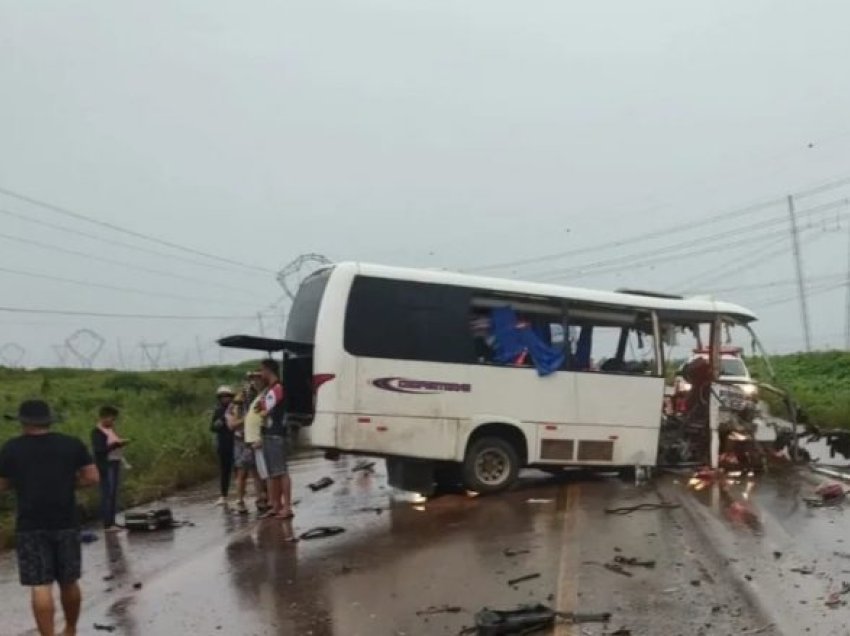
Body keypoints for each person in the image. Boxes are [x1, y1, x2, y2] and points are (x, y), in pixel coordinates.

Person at [0, 400, 99, 636]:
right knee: (69, 581)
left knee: (40, 585)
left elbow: (1, 484)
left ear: (23, 422)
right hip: (66, 521)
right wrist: (67, 483)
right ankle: (71, 629)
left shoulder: (11, 448)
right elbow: (92, 477)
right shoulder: (71, 444)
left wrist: (20, 483)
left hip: (30, 524)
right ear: (49, 421)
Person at [256, 359, 293, 520]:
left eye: (261, 371)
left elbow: (263, 409)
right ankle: (276, 505)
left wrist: (262, 405)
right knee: (272, 473)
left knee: (281, 471)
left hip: (276, 433)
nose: (260, 374)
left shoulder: (278, 388)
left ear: (268, 370)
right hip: (269, 433)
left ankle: (287, 506)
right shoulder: (269, 389)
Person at [90, 406, 128, 533]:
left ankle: (112, 521)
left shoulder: (110, 430)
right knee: (107, 493)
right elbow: (99, 450)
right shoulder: (97, 432)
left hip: (115, 462)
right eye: (111, 419)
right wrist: (115, 445)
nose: (112, 422)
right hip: (106, 465)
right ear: (104, 417)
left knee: (113, 494)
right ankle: (107, 523)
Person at [227, 391, 263, 515]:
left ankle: (260, 499)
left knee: (256, 472)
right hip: (240, 442)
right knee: (242, 474)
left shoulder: (254, 404)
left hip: (253, 439)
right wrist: (246, 419)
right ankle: (240, 501)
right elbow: (232, 425)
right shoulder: (233, 407)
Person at [244, 374, 270, 514]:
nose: (254, 382)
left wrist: (263, 438)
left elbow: (269, 416)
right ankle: (262, 498)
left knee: (266, 473)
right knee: (258, 473)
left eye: (256, 380)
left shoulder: (266, 395)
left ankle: (271, 500)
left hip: (259, 440)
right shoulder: (257, 396)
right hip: (251, 440)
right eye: (252, 380)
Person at [210, 385, 236, 506]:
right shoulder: (218, 410)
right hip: (223, 444)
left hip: (235, 442)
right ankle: (223, 495)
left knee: (239, 470)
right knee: (225, 471)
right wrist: (218, 423)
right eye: (222, 397)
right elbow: (212, 427)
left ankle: (239, 494)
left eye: (227, 396)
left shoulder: (235, 408)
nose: (225, 399)